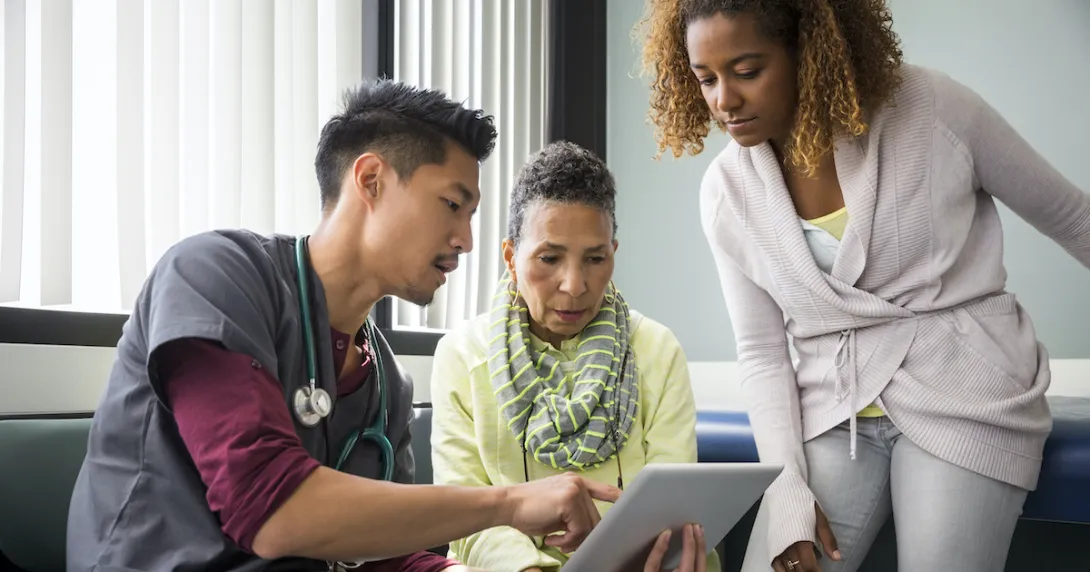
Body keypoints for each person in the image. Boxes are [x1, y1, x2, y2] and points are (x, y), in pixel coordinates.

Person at [65, 79, 627, 572]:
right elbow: (272, 510)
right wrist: (507, 503)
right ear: (372, 180)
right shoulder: (216, 276)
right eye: (452, 204)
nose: (466, 240)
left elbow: (387, 554)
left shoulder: (385, 379)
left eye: (472, 214)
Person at [635, 1, 1090, 572]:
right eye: (706, 79)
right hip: (834, 412)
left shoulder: (930, 109)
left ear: (809, 52)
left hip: (964, 391)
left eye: (747, 71)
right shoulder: (726, 190)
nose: (724, 99)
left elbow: (1074, 218)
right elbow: (762, 352)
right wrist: (785, 489)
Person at [428, 141, 720, 572]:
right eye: (549, 258)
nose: (575, 285)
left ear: (613, 256)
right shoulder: (462, 355)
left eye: (595, 259)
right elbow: (464, 517)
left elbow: (670, 508)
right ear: (511, 257)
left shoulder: (656, 350)